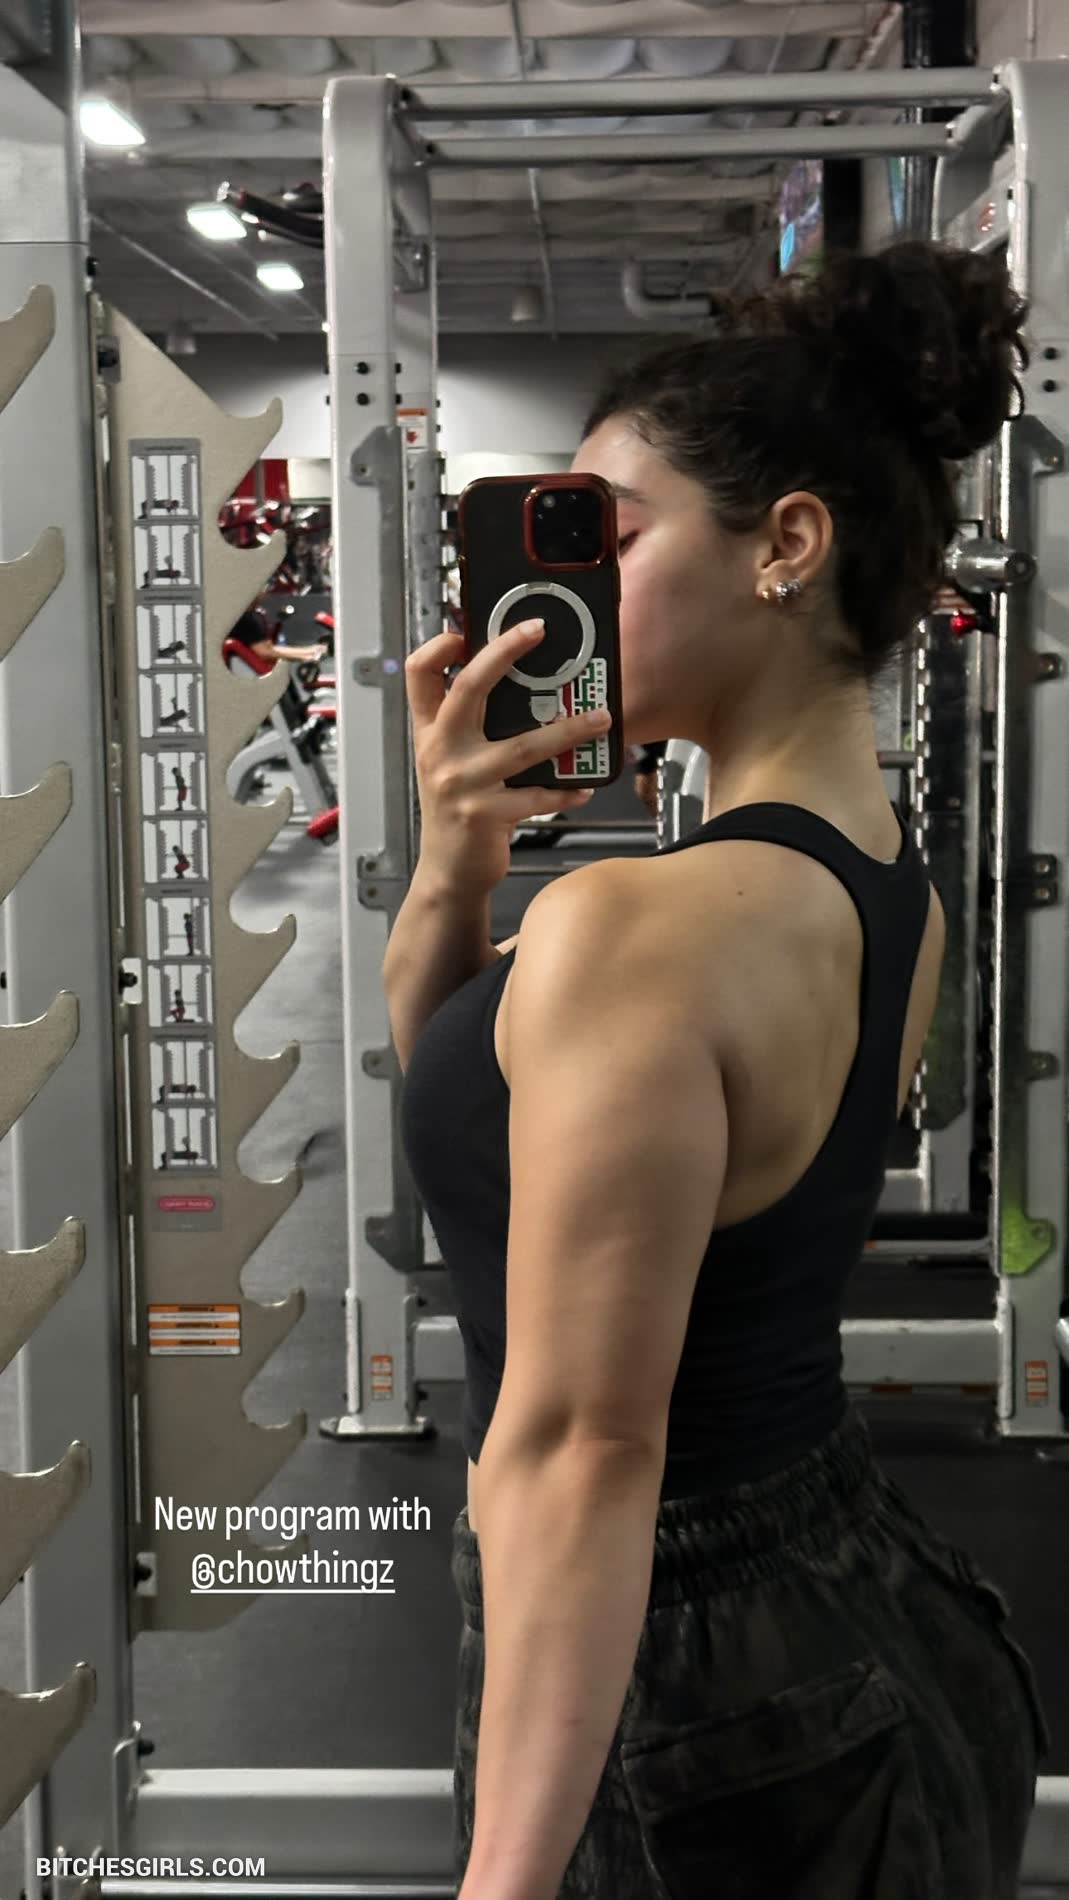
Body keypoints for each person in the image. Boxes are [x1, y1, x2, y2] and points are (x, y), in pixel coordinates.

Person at [390, 242, 1049, 1900]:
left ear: (785, 548)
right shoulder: (879, 880)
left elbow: (580, 1449)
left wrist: (502, 1886)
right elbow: (487, 1148)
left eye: (606, 536)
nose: (552, 593)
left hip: (680, 1695)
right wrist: (455, 867)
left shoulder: (638, 929)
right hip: (852, 1601)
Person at [228, 594, 327, 668]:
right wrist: (304, 656)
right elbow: (264, 653)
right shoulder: (244, 619)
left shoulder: (250, 615)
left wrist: (309, 651)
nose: (264, 594)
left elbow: (270, 648)